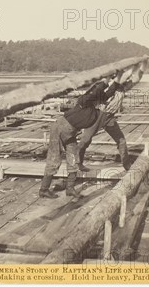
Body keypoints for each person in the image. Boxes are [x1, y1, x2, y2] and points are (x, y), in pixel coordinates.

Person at [40, 70, 123, 199]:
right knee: (54, 159)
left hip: (71, 133)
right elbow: (96, 92)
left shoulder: (95, 111)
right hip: (59, 129)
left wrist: (118, 78)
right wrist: (106, 79)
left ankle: (70, 188)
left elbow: (107, 93)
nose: (104, 102)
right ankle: (44, 189)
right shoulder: (84, 102)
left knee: (73, 158)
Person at [76, 79, 133, 173]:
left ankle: (127, 165)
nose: (130, 85)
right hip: (99, 115)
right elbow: (100, 96)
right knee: (85, 140)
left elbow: (117, 103)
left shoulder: (122, 91)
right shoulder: (113, 87)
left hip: (109, 117)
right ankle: (78, 164)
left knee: (121, 140)